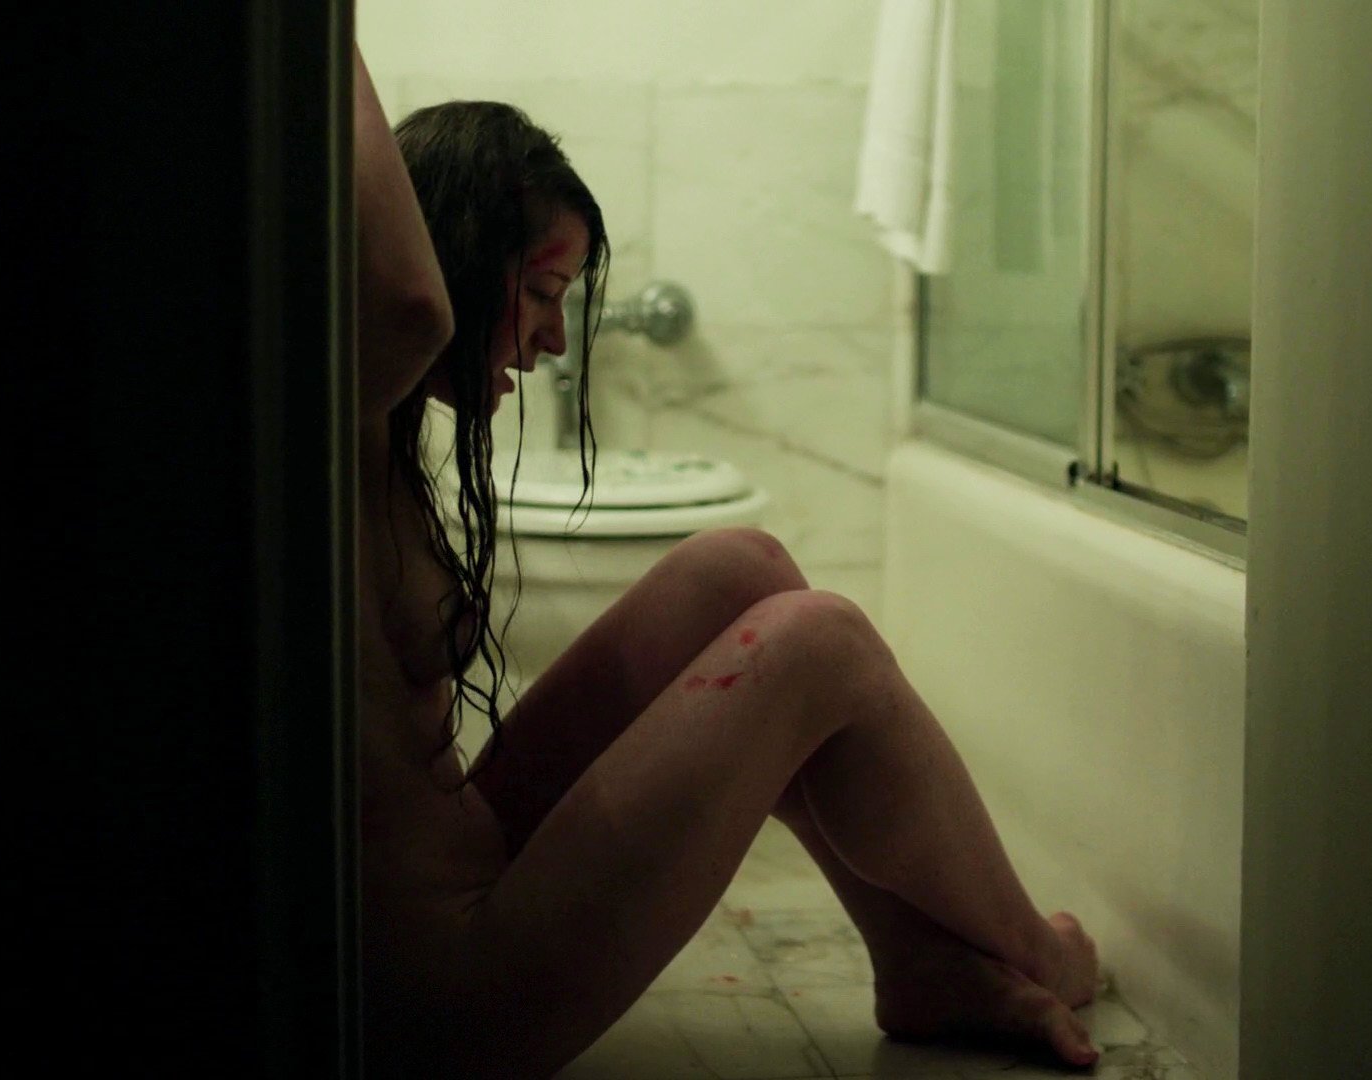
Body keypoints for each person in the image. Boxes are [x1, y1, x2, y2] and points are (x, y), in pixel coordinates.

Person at [351, 48, 1100, 1079]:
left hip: (466, 859)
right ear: (454, 263)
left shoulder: (369, 429)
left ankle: (914, 960)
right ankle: (1034, 952)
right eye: (539, 293)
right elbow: (405, 302)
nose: (555, 341)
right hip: (439, 991)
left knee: (739, 567)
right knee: (820, 642)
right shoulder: (330, 405)